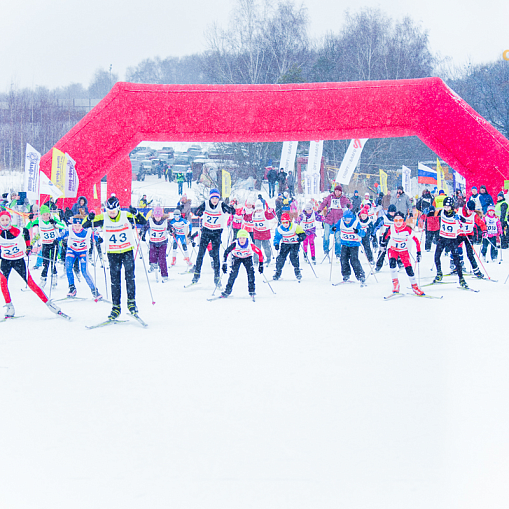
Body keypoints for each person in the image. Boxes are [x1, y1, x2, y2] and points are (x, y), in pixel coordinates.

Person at [83, 196, 147, 320]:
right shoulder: (103, 217)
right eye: (109, 211)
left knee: (130, 278)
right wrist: (89, 217)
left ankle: (131, 303)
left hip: (127, 250)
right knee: (115, 281)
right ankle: (116, 307)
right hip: (113, 253)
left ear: (118, 209)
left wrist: (137, 213)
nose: (111, 214)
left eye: (113, 211)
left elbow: (143, 222)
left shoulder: (125, 215)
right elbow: (86, 225)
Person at [0, 210, 62, 318]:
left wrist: (28, 247)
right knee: (3, 283)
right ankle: (10, 307)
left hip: (18, 260)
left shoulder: (16, 230)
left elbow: (25, 232)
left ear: (10, 220)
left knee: (31, 284)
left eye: (7, 219)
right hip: (6, 260)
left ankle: (50, 304)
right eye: (2, 220)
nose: (5, 222)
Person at [191, 189, 234, 286]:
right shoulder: (206, 204)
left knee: (215, 256)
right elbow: (196, 211)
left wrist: (232, 209)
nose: (215, 200)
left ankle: (217, 277)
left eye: (216, 198)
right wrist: (199, 212)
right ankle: (196, 275)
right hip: (206, 232)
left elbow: (231, 211)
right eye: (213, 198)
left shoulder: (221, 204)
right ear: (210, 198)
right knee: (200, 254)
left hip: (216, 233)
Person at [61, 216, 102, 298]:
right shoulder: (69, 229)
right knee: (68, 267)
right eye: (75, 225)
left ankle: (94, 291)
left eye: (79, 226)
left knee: (84, 271)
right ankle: (72, 288)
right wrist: (57, 239)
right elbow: (60, 235)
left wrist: (99, 239)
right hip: (71, 250)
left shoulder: (88, 230)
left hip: (83, 251)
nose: (76, 228)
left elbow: (96, 236)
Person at [26, 204, 66, 288]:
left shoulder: (53, 218)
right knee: (45, 263)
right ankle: (43, 279)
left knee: (53, 262)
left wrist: (55, 223)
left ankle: (54, 278)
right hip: (45, 244)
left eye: (47, 214)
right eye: (44, 214)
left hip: (54, 243)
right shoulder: (39, 220)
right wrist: (30, 219)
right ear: (41, 215)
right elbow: (27, 227)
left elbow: (63, 226)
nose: (45, 216)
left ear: (49, 214)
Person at [386, 211, 424, 295]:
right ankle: (395, 284)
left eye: (400, 220)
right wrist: (382, 244)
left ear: (403, 220)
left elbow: (416, 241)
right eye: (396, 220)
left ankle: (415, 287)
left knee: (408, 269)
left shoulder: (407, 229)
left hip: (403, 251)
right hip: (393, 249)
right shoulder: (391, 228)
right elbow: (385, 236)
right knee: (392, 264)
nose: (398, 222)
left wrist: (419, 253)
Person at [433, 196, 468, 288]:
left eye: (448, 207)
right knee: (436, 256)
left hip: (452, 239)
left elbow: (464, 220)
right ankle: (439, 273)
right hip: (443, 238)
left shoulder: (455, 214)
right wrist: (428, 211)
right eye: (445, 206)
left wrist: (459, 218)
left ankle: (461, 278)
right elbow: (433, 213)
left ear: (452, 207)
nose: (446, 208)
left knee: (456, 259)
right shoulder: (441, 212)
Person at [221, 229, 263, 299]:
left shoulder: (250, 245)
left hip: (247, 258)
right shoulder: (235, 244)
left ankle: (251, 290)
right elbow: (226, 252)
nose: (242, 240)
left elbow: (259, 253)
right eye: (240, 238)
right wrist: (224, 263)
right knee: (233, 274)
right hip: (237, 258)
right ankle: (227, 291)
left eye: (244, 238)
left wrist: (261, 264)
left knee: (250, 273)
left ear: (247, 238)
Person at [316, 184, 351, 260]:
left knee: (337, 238)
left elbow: (349, 205)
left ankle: (338, 253)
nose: (337, 192)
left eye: (339, 191)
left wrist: (349, 205)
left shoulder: (343, 198)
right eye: (336, 191)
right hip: (328, 219)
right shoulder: (330, 197)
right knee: (326, 235)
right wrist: (319, 210)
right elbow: (323, 203)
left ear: (341, 192)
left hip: (338, 220)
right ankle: (326, 250)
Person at [455, 200, 486, 278]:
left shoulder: (474, 215)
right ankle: (454, 266)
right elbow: (452, 217)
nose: (470, 212)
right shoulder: (459, 211)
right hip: (459, 234)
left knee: (470, 254)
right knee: (454, 249)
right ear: (466, 208)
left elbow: (481, 223)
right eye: (469, 210)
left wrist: (484, 230)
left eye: (472, 211)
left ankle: (476, 271)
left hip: (469, 235)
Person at [141, 206, 173, 281]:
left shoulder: (165, 222)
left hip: (163, 242)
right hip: (153, 242)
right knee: (152, 256)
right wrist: (142, 233)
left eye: (159, 216)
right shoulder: (150, 221)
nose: (157, 218)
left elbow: (171, 228)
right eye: (156, 216)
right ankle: (153, 264)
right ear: (153, 215)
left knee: (162, 259)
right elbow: (144, 228)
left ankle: (164, 274)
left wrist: (172, 231)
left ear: (161, 216)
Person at [335, 209, 366, 284]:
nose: (347, 221)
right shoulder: (341, 221)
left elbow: (363, 233)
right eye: (345, 219)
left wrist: (358, 231)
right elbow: (335, 227)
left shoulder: (356, 223)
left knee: (354, 260)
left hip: (354, 244)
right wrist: (333, 228)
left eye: (349, 219)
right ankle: (346, 274)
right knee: (343, 259)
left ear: (352, 218)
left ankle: (360, 275)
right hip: (345, 243)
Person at [273, 212, 306, 280]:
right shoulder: (279, 229)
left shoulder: (295, 226)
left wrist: (301, 237)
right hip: (285, 244)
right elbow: (277, 237)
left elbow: (303, 234)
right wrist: (276, 244)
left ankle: (297, 271)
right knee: (281, 258)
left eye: (286, 222)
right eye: (283, 222)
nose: (285, 224)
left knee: (293, 257)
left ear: (289, 221)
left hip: (294, 244)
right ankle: (278, 272)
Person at [372, 204, 397, 271]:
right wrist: (373, 234)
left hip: (393, 238)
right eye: (391, 212)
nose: (392, 213)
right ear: (388, 212)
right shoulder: (383, 218)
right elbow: (376, 226)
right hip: (383, 237)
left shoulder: (396, 219)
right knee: (382, 251)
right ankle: (378, 266)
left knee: (395, 251)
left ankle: (399, 264)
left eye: (394, 212)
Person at [252, 199, 276, 266]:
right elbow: (247, 218)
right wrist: (243, 214)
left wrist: (272, 211)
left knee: (266, 247)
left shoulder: (264, 213)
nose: (259, 211)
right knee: (257, 248)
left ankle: (268, 259)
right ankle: (256, 261)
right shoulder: (253, 214)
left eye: (260, 209)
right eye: (257, 210)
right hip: (257, 233)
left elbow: (271, 216)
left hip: (265, 233)